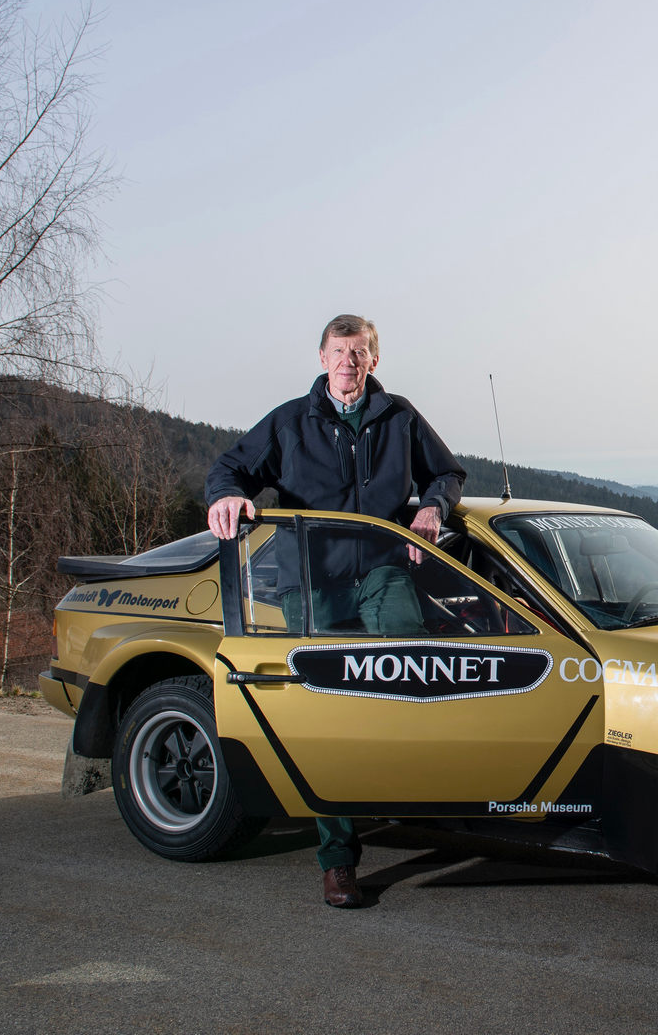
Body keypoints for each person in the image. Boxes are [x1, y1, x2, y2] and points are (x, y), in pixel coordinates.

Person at [205, 314, 465, 908]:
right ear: (322, 357)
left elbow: (447, 472)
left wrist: (431, 508)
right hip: (311, 582)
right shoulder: (291, 422)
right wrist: (226, 495)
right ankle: (338, 857)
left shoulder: (398, 416)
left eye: (362, 351)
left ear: (375, 361)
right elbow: (230, 467)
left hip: (382, 572)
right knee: (326, 710)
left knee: (411, 674)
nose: (350, 361)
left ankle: (419, 797)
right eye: (340, 350)